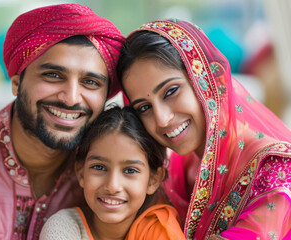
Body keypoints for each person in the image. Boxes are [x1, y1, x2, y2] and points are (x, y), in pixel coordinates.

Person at [0, 4, 125, 239]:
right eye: (53, 75)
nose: (72, 98)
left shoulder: (108, 175)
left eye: (91, 82)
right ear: (16, 82)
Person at [117, 19, 291, 239]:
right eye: (144, 107)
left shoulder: (276, 169)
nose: (162, 119)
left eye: (171, 92)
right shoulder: (177, 167)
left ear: (211, 78)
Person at [39, 106, 185, 240]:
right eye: (99, 167)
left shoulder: (160, 229)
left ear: (153, 180)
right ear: (81, 172)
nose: (112, 186)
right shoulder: (63, 228)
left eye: (130, 170)